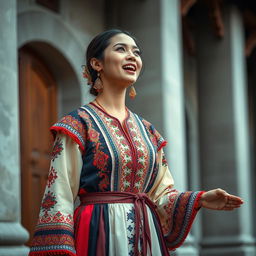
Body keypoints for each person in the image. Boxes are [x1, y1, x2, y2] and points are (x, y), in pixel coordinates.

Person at [29, 29, 243, 256]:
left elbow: (162, 194)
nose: (132, 56)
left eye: (136, 52)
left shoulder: (148, 131)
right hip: (98, 231)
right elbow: (59, 194)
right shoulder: (78, 124)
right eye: (121, 49)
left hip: (146, 234)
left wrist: (199, 199)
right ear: (97, 63)